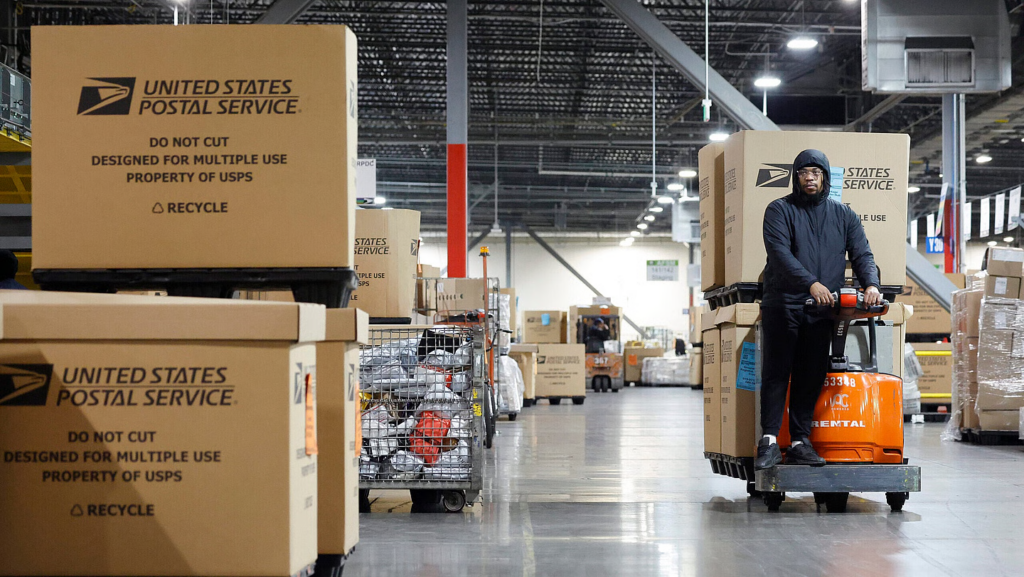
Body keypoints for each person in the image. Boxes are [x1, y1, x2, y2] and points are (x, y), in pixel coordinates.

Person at [754, 149, 881, 470]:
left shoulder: (844, 215)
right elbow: (780, 254)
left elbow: (862, 253)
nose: (809, 178)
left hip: (821, 308)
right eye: (803, 173)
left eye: (816, 172)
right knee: (777, 372)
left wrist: (871, 284)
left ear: (825, 177)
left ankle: (799, 441)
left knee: (811, 374)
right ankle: (768, 441)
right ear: (795, 177)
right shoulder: (779, 210)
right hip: (783, 303)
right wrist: (811, 283)